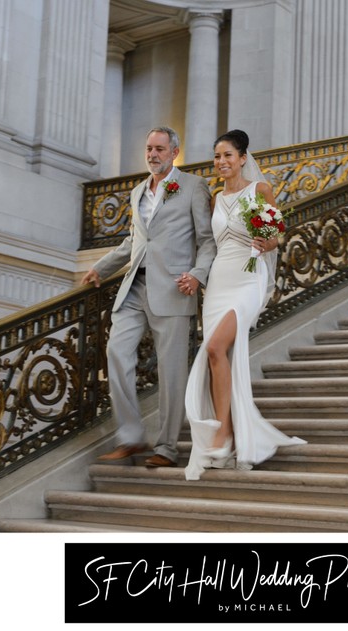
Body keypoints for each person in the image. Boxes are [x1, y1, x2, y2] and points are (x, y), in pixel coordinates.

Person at [81, 126, 215, 467]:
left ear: (174, 153)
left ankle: (167, 448)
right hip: (134, 286)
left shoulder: (193, 187)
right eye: (149, 149)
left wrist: (198, 276)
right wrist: (101, 266)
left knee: (171, 372)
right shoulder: (138, 190)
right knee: (116, 351)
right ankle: (131, 436)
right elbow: (134, 241)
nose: (152, 154)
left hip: (173, 287)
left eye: (159, 149)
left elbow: (206, 239)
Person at [184, 129, 304, 479]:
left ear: (242, 157)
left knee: (216, 347)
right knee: (216, 354)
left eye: (227, 156)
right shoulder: (215, 199)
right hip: (220, 279)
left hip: (248, 278)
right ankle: (230, 434)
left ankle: (223, 433)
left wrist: (269, 243)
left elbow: (276, 235)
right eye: (217, 157)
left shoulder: (259, 191)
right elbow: (209, 243)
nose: (221, 162)